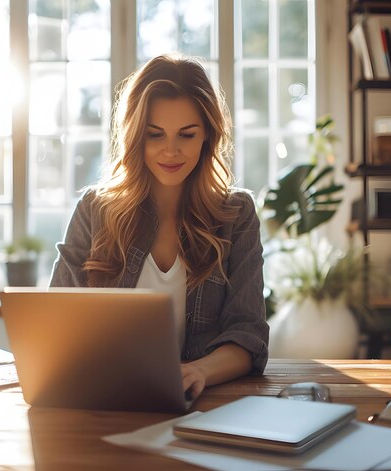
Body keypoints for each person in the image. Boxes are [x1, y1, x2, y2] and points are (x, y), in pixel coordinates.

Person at [50, 53, 268, 400]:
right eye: (155, 135)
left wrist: (199, 370)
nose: (171, 151)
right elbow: (56, 324)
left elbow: (248, 335)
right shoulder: (95, 210)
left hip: (203, 405)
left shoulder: (236, 214)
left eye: (186, 134)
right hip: (103, 399)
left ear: (207, 136)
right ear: (136, 137)